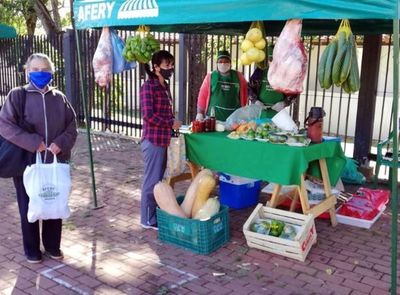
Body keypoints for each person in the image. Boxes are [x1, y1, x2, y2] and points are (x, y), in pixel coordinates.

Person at [0, 53, 78, 263]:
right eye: (35, 69)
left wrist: (60, 144)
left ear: (51, 72)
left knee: (54, 200)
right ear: (27, 72)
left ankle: (53, 246)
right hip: (27, 162)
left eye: (44, 69)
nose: (40, 73)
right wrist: (34, 142)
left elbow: (72, 126)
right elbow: (5, 125)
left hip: (54, 161)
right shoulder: (17, 95)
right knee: (28, 205)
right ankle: (32, 249)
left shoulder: (59, 97)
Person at [140, 50, 181, 230]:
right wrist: (170, 123)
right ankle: (147, 219)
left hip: (164, 139)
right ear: (156, 67)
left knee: (159, 180)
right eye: (167, 65)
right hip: (153, 140)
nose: (170, 68)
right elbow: (148, 116)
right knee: (152, 180)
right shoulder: (149, 87)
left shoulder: (164, 86)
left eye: (171, 65)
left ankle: (155, 214)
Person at [196, 50, 248, 121]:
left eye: (226, 61)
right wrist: (200, 113)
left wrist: (243, 111)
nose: (223, 64)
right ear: (217, 63)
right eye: (220, 61)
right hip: (213, 119)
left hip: (234, 120)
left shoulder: (238, 76)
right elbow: (202, 95)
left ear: (230, 63)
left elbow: (245, 94)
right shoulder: (211, 76)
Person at [248, 46, 298, 118]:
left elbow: (294, 91)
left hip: (278, 112)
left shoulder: (285, 73)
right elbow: (250, 88)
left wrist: (284, 103)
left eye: (275, 60)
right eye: (270, 59)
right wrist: (255, 101)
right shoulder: (260, 72)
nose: (273, 62)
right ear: (267, 59)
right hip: (261, 111)